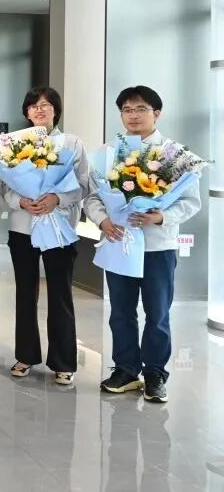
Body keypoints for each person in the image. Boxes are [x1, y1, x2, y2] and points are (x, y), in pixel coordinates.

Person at [86, 86, 201, 404]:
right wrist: (103, 221)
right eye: (127, 109)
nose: (133, 115)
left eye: (141, 109)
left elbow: (191, 202)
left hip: (157, 247)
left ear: (156, 113)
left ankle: (155, 373)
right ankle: (125, 369)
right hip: (119, 242)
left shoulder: (175, 154)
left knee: (157, 312)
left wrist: (161, 216)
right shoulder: (108, 153)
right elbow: (93, 197)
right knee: (120, 311)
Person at [3, 87, 89, 385]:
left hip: (59, 229)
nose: (39, 110)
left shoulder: (72, 143)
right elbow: (4, 188)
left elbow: (83, 185)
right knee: (25, 293)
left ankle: (63, 361)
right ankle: (25, 355)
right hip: (23, 228)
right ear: (26, 112)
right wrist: (21, 201)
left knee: (60, 294)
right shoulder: (14, 144)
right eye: (33, 106)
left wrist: (58, 199)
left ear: (56, 110)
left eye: (46, 105)